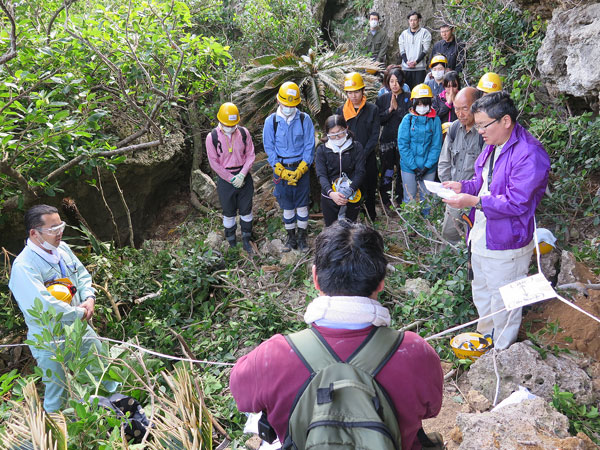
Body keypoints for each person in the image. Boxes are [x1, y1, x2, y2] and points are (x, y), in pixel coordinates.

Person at [230, 220, 444, 449]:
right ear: (381, 281)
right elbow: (432, 409)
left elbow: (241, 397)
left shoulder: (272, 356)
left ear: (315, 279)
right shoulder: (415, 351)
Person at [442, 91, 550, 349]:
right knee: (482, 292)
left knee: (504, 302)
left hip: (507, 241)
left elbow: (517, 202)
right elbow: (484, 182)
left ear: (505, 121)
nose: (479, 130)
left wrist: (473, 201)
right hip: (481, 234)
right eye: (477, 125)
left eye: (483, 125)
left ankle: (501, 352)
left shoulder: (529, 154)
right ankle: (485, 341)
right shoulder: (493, 145)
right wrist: (463, 186)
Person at [8, 205, 118, 412]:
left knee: (102, 370)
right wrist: (80, 312)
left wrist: (89, 297)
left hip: (80, 327)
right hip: (49, 337)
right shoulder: (24, 267)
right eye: (52, 229)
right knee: (58, 390)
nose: (59, 232)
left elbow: (83, 276)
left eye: (61, 226)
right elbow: (45, 305)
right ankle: (54, 436)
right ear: (34, 233)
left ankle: (120, 414)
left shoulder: (63, 249)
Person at [263, 81, 315, 252]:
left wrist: (302, 168)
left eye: (292, 105)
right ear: (279, 101)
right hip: (282, 168)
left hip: (301, 167)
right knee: (287, 205)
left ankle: (302, 238)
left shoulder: (304, 119)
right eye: (285, 104)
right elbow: (269, 147)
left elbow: (309, 145)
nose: (288, 107)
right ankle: (290, 238)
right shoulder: (271, 122)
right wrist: (279, 169)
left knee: (301, 204)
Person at [206, 102, 256, 254]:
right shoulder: (212, 137)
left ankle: (247, 238)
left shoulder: (243, 133)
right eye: (227, 124)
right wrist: (230, 177)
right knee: (228, 211)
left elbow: (251, 154)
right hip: (225, 178)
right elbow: (213, 162)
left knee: (246, 210)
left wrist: (242, 174)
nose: (231, 127)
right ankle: (231, 240)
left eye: (233, 124)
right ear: (220, 121)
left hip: (243, 175)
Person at [437, 87, 483, 243]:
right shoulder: (454, 128)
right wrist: (448, 189)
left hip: (476, 200)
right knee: (449, 236)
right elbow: (444, 161)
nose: (460, 114)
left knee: (475, 241)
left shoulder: (484, 132)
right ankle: (447, 267)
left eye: (465, 109)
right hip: (454, 197)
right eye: (456, 109)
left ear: (476, 105)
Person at [336, 72, 380, 221]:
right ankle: (353, 218)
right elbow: (339, 135)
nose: (353, 95)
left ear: (363, 91)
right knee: (352, 188)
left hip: (368, 158)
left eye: (356, 91)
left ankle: (371, 217)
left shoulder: (372, 110)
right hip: (349, 158)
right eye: (350, 92)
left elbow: (375, 136)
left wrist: (363, 154)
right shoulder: (341, 111)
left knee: (370, 186)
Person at [397, 83, 442, 211]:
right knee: (409, 198)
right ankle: (410, 227)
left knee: (427, 199)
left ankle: (426, 227)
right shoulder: (407, 120)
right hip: (409, 166)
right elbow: (403, 145)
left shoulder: (435, 120)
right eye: (419, 104)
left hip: (429, 166)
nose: (422, 107)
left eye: (425, 104)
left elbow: (436, 145)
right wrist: (414, 167)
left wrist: (427, 166)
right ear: (414, 104)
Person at [315, 115, 366, 226]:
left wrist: (350, 190)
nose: (337, 137)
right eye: (332, 135)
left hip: (352, 195)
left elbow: (360, 172)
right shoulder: (322, 150)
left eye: (340, 132)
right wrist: (331, 193)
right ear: (327, 134)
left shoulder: (356, 147)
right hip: (330, 196)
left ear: (346, 128)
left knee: (350, 230)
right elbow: (321, 174)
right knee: (331, 229)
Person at [376, 67, 411, 208]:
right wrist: (390, 110)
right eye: (391, 81)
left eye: (397, 81)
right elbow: (379, 120)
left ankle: (401, 200)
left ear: (402, 81)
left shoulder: (409, 97)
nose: (394, 84)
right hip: (387, 141)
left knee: (403, 172)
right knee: (387, 171)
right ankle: (386, 200)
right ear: (387, 83)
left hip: (404, 142)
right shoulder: (383, 99)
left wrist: (398, 109)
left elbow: (410, 119)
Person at [398, 11, 432, 90]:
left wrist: (416, 62)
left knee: (419, 91)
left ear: (419, 20)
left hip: (419, 68)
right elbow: (402, 50)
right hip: (406, 68)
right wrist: (407, 62)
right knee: (406, 91)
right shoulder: (403, 34)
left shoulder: (425, 33)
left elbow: (425, 50)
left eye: (415, 20)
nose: (413, 22)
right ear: (408, 21)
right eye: (411, 20)